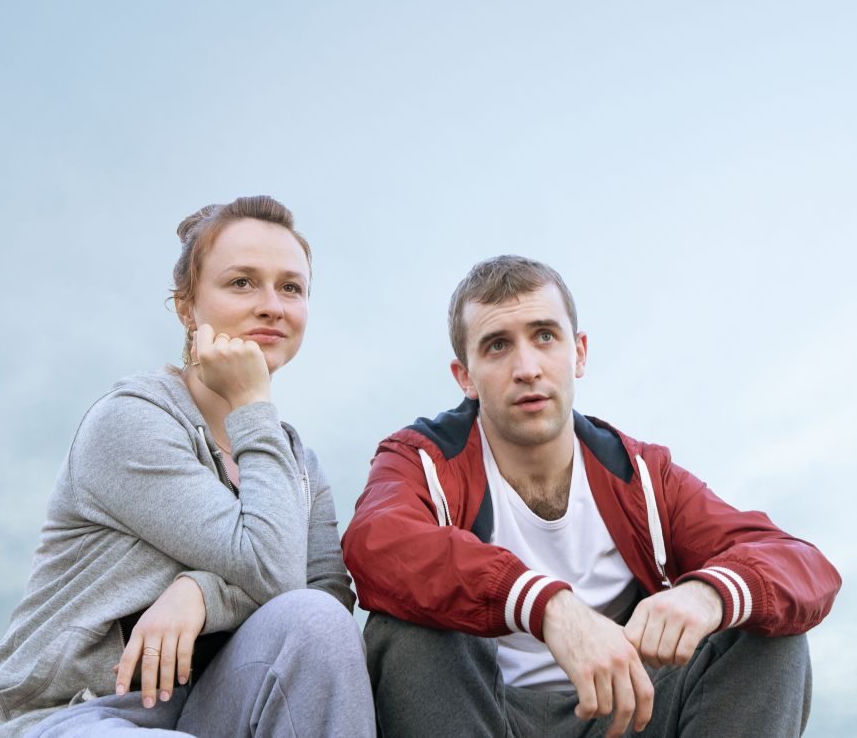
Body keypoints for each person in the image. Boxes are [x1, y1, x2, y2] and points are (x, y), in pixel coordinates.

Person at [343, 255, 841, 738]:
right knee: (404, 632)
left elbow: (800, 564)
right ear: (465, 377)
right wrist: (549, 608)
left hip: (625, 712)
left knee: (765, 630)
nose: (528, 368)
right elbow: (375, 543)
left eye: (544, 336)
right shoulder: (422, 459)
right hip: (486, 711)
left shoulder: (641, 474)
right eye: (497, 345)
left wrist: (708, 594)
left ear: (578, 352)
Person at [0, 195, 375, 738]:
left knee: (318, 621)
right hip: (75, 714)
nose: (272, 306)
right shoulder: (131, 422)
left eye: (291, 287)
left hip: (210, 708)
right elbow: (275, 571)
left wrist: (201, 594)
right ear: (187, 307)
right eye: (241, 283)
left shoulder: (295, 462)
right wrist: (253, 406)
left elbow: (319, 599)